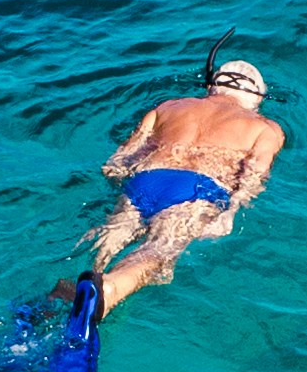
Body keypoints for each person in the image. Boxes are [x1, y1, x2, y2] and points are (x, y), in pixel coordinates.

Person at [61, 59, 285, 315]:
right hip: (196, 190)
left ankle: (63, 293)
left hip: (145, 181)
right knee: (157, 254)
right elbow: (254, 175)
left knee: (104, 243)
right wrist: (230, 211)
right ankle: (111, 289)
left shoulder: (167, 107)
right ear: (256, 98)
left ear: (212, 86)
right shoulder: (266, 128)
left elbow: (118, 162)